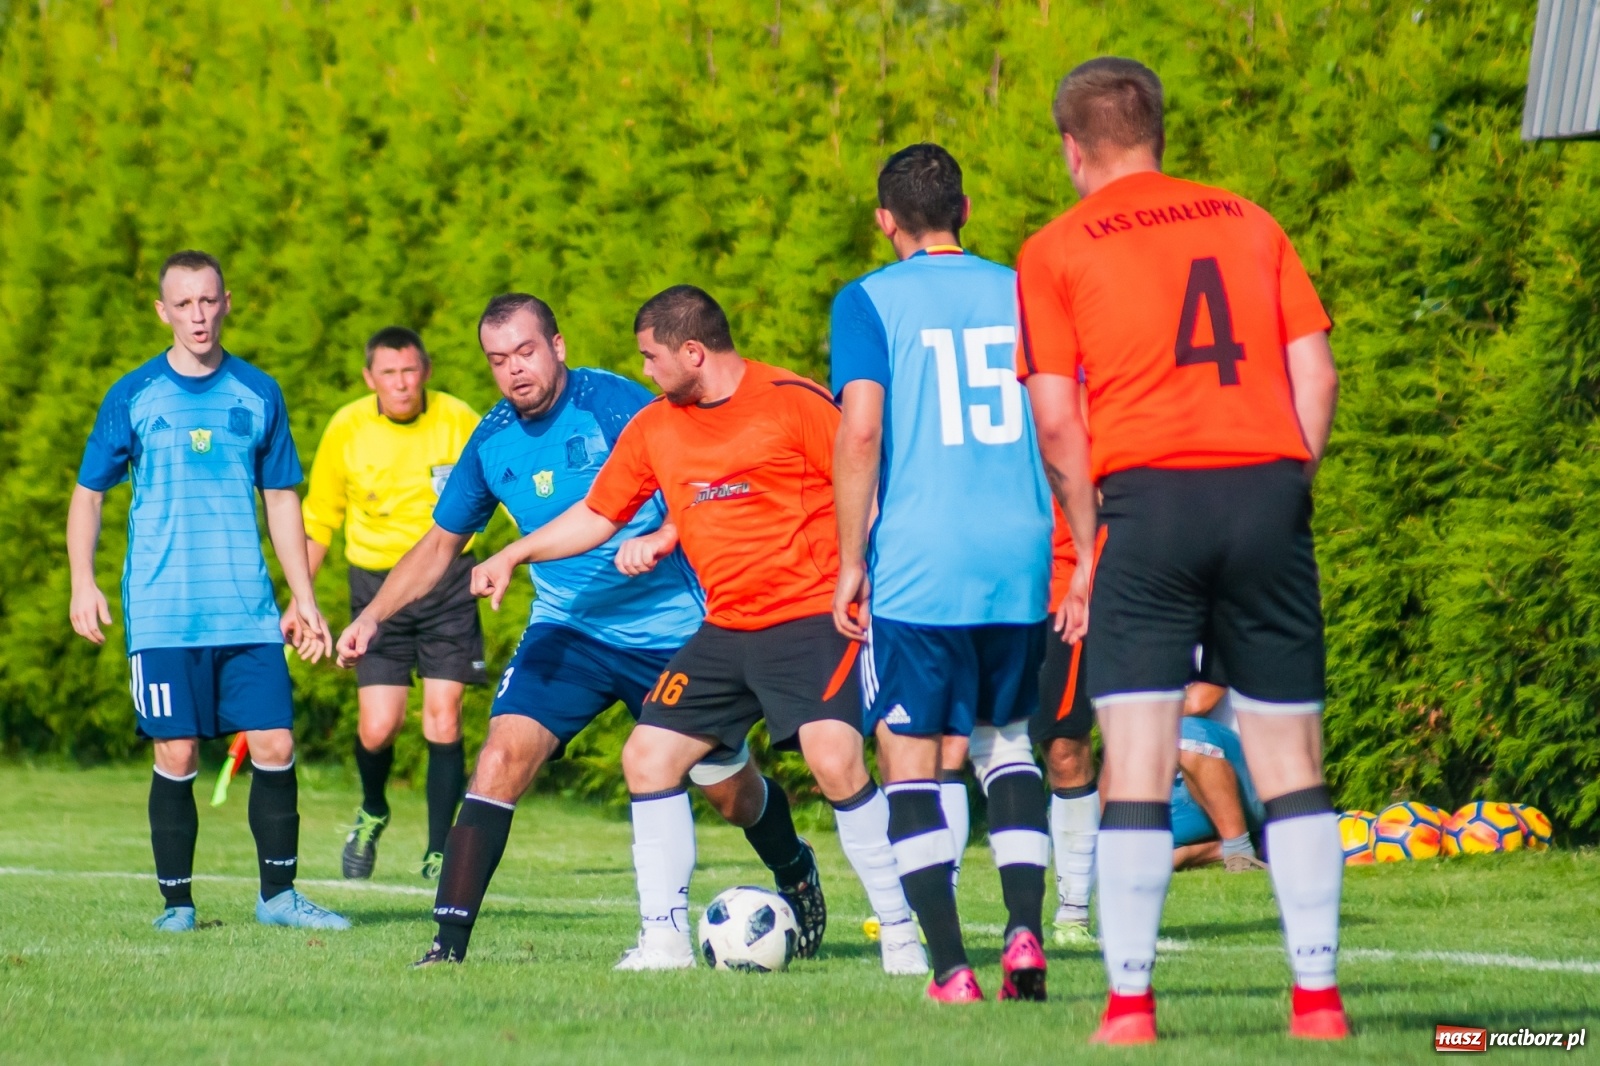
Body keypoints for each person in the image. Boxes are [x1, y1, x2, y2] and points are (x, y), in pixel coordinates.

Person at [1018, 57, 1345, 1044]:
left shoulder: (1055, 246)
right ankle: (1318, 1003)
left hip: (1145, 504)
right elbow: (1316, 372)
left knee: (1137, 759)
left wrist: (1087, 539)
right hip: (1265, 487)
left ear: (1072, 149)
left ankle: (1128, 1008)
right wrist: (1285, 486)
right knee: (1291, 760)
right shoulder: (1249, 220)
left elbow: (1057, 424)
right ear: (1158, 130)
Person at [468, 285, 926, 976]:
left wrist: (860, 569)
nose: (645, 372)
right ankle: (664, 941)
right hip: (724, 626)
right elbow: (599, 515)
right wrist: (513, 552)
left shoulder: (793, 402)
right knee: (646, 758)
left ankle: (900, 934)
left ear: (692, 351)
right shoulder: (657, 425)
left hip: (810, 618)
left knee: (835, 762)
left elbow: (865, 478)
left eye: (652, 358)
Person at [333, 293, 722, 967]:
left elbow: (699, 486)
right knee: (499, 757)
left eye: (525, 351)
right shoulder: (491, 442)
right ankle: (446, 946)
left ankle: (795, 871)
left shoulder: (620, 407)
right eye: (497, 360)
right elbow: (437, 547)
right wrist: (371, 616)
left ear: (557, 346)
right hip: (567, 632)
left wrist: (663, 534)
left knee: (729, 787)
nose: (514, 370)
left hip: (669, 630)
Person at [66, 250, 349, 932]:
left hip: (246, 612)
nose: (198, 315)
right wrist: (83, 581)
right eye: (184, 304)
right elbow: (88, 495)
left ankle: (279, 899)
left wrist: (302, 595)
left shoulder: (258, 393)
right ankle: (177, 906)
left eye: (208, 301)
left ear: (227, 303)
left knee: (276, 743)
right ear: (163, 311)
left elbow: (282, 499)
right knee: (178, 753)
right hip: (163, 615)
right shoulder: (134, 395)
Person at [831, 144, 1055, 1003]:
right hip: (1019, 552)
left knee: (912, 758)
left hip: (923, 560)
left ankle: (953, 968)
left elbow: (860, 433)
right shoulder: (1024, 290)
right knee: (1007, 744)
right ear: (964, 207)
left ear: (885, 219)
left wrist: (851, 562)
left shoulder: (869, 301)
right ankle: (1027, 933)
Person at [299, 326, 483, 882]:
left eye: (410, 371)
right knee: (379, 727)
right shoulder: (348, 428)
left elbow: (504, 488)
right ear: (369, 378)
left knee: (443, 718)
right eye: (388, 373)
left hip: (448, 583)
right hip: (376, 593)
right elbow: (319, 519)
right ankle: (373, 807)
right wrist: (300, 601)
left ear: (425, 369)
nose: (401, 384)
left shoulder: (459, 420)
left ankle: (438, 852)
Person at [1029, 502, 1100, 947]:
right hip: (968, 591)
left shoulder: (1075, 428)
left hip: (1057, 592)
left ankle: (1073, 909)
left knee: (1063, 748)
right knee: (945, 743)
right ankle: (930, 908)